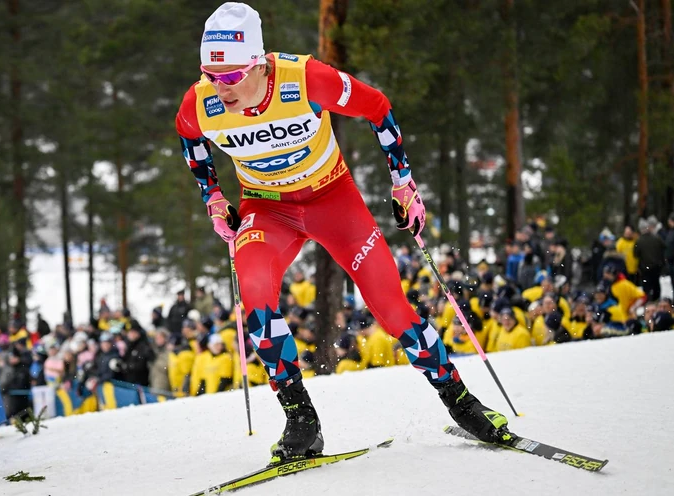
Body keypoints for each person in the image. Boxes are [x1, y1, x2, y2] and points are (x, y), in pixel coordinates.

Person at [175, 3, 509, 462]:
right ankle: (301, 421)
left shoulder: (305, 79)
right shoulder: (201, 102)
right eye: (211, 76)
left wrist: (403, 183)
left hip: (333, 201)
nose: (221, 87)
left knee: (391, 307)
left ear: (259, 63)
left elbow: (377, 107)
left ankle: (461, 401)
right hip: (267, 209)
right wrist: (213, 196)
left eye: (231, 76)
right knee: (255, 296)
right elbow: (189, 138)